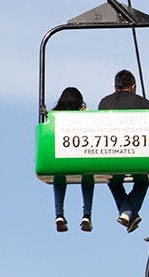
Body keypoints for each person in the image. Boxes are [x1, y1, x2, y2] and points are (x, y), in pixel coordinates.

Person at [98, 69, 149, 233]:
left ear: (115, 87)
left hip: (110, 153)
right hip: (137, 152)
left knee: (113, 179)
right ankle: (129, 212)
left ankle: (127, 212)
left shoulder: (104, 103)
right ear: (134, 87)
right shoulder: (143, 103)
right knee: (143, 180)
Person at [50, 87, 94, 233]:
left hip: (61, 157)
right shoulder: (84, 116)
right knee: (88, 177)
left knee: (59, 178)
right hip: (82, 156)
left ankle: (59, 214)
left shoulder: (53, 116)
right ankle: (86, 214)